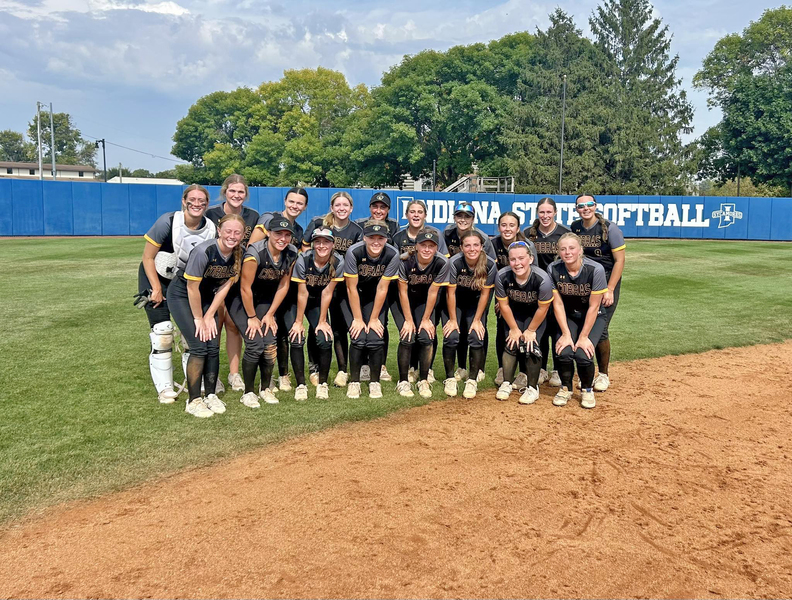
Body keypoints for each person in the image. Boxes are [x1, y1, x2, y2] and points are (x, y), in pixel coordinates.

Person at [138, 184, 217, 404]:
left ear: (207, 204)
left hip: (186, 283)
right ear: (184, 201)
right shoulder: (168, 221)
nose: (196, 204)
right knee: (162, 333)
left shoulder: (210, 228)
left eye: (202, 201)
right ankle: (165, 388)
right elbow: (148, 257)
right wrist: (155, 288)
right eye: (192, 199)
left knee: (191, 334)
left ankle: (195, 380)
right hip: (157, 277)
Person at [166, 214, 246, 417]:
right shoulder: (204, 251)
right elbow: (192, 288)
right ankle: (193, 400)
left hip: (208, 299)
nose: (232, 236)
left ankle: (210, 395)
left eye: (237, 232)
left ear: (243, 235)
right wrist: (198, 318)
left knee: (212, 345)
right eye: (228, 231)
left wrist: (210, 314)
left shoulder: (239, 253)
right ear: (219, 231)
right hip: (183, 296)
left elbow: (225, 287)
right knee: (199, 346)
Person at [227, 216, 299, 408]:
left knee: (269, 342)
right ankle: (248, 392)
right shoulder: (255, 253)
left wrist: (269, 314)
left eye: (287, 235)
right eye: (278, 233)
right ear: (268, 233)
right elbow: (245, 288)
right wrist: (252, 317)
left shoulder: (291, 252)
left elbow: (284, 285)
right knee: (254, 343)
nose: (282, 238)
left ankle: (265, 388)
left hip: (265, 300)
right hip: (241, 299)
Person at [248, 187, 309, 392]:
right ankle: (266, 379)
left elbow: (291, 262)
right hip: (261, 289)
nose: (295, 206)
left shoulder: (298, 230)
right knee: (266, 335)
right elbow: (252, 250)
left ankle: (283, 375)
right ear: (285, 201)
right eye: (292, 201)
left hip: (283, 288)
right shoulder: (269, 219)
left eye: (299, 203)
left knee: (284, 331)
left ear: (305, 207)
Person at [204, 174, 260, 394]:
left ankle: (234, 374)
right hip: (214, 277)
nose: (236, 195)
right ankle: (213, 374)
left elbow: (253, 248)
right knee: (215, 324)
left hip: (238, 277)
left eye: (241, 191)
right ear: (225, 192)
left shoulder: (252, 216)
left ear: (246, 194)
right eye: (232, 191)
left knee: (233, 325)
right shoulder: (211, 214)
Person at [303, 192, 363, 387]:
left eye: (345, 205)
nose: (341, 208)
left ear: (351, 208)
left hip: (341, 286)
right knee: (316, 326)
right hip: (317, 284)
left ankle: (342, 370)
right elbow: (305, 247)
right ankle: (314, 368)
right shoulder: (319, 223)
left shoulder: (356, 230)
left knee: (339, 328)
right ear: (332, 207)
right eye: (338, 205)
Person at [570, 194, 626, 392]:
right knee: (582, 325)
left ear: (595, 206)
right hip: (584, 281)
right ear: (576, 209)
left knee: (600, 329)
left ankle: (603, 374)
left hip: (606, 280)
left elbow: (619, 260)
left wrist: (610, 289)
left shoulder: (610, 228)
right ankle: (586, 373)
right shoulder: (575, 227)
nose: (585, 208)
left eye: (589, 204)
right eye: (581, 206)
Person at [547, 232, 609, 409]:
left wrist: (583, 337)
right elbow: (558, 304)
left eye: (572, 248)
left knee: (583, 353)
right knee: (564, 351)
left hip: (593, 316)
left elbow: (594, 306)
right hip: (568, 316)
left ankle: (587, 390)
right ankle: (565, 388)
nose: (567, 252)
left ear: (580, 250)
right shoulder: (553, 268)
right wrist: (566, 333)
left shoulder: (595, 269)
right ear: (558, 251)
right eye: (563, 249)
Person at [391, 199, 448, 384]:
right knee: (408, 334)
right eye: (412, 211)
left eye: (420, 211)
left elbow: (434, 291)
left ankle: (425, 371)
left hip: (427, 296)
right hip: (404, 295)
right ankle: (407, 374)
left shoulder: (440, 258)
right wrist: (408, 320)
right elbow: (401, 290)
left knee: (426, 333)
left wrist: (426, 318)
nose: (416, 215)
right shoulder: (402, 251)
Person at [343, 220, 400, 399]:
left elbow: (382, 288)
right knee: (358, 336)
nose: (376, 242)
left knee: (375, 337)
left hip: (375, 295)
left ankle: (375, 382)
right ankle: (354, 382)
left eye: (380, 238)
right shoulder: (354, 251)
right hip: (353, 295)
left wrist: (374, 318)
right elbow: (351, 288)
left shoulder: (392, 254)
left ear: (386, 239)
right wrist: (358, 319)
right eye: (371, 237)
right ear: (364, 237)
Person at [288, 227, 345, 401]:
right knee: (296, 336)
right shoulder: (304, 259)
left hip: (318, 300)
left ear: (333, 244)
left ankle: (322, 384)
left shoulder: (338, 261)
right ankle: (301, 385)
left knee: (324, 337)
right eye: (318, 242)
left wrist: (322, 321)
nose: (322, 245)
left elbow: (328, 292)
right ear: (313, 244)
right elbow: (302, 292)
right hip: (295, 300)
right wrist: (298, 322)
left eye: (326, 242)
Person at [493, 241, 554, 404]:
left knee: (530, 345)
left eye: (521, 258)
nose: (517, 263)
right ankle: (506, 382)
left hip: (535, 314)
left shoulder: (542, 278)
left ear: (531, 259)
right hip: (514, 312)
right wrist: (514, 328)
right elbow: (504, 305)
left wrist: (531, 330)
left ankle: (532, 388)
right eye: (513, 259)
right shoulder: (502, 275)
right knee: (511, 343)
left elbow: (543, 308)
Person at [443, 201, 496, 382]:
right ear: (454, 217)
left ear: (473, 219)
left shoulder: (483, 238)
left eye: (467, 216)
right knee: (458, 328)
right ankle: (461, 367)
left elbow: (489, 265)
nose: (463, 219)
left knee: (477, 327)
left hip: (479, 289)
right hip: (456, 288)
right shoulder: (447, 234)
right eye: (460, 215)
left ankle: (478, 368)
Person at [525, 197, 571, 388]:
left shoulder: (564, 233)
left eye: (548, 212)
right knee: (541, 331)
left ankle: (558, 370)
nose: (545, 216)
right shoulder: (528, 234)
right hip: (536, 290)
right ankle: (541, 368)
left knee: (557, 329)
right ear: (537, 213)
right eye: (541, 212)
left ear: (555, 213)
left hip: (560, 289)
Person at [354, 192, 399, 383]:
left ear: (388, 210)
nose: (378, 210)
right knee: (360, 323)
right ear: (370, 207)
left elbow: (393, 253)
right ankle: (363, 365)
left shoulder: (394, 226)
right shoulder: (360, 224)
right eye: (375, 206)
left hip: (383, 284)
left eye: (383, 207)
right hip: (360, 284)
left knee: (381, 323)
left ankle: (380, 365)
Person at [490, 211, 537, 388]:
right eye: (504, 225)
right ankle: (503, 368)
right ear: (498, 227)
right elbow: (492, 272)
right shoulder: (493, 243)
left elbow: (533, 274)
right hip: (503, 292)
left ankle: (524, 372)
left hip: (526, 294)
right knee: (503, 329)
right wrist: (500, 300)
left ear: (518, 228)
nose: (507, 229)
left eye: (512, 225)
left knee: (525, 331)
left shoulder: (527, 246)